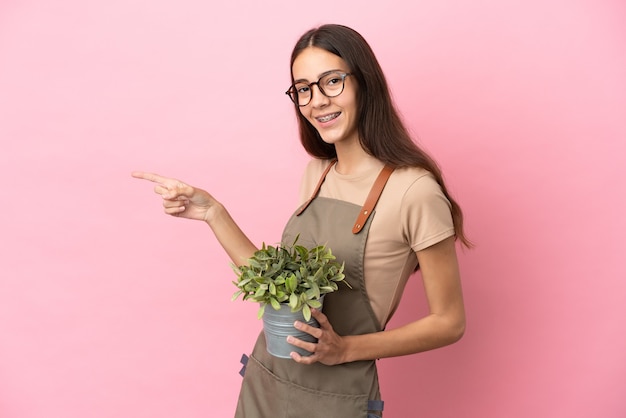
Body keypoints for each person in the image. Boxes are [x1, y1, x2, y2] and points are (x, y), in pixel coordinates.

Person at [133, 23, 468, 418]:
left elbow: (449, 322)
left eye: (332, 81)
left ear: (365, 83)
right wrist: (212, 213)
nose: (316, 101)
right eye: (303, 89)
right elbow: (277, 287)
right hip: (268, 381)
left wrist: (345, 348)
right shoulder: (318, 174)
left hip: (336, 397)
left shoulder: (414, 191)